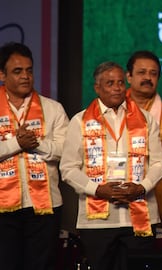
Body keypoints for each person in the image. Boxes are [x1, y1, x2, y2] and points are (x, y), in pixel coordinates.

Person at [59, 61, 162, 270]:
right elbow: (68, 168)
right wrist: (98, 190)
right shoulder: (80, 121)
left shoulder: (145, 119)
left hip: (139, 218)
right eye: (110, 83)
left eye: (119, 83)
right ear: (97, 88)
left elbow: (160, 163)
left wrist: (142, 187)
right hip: (98, 221)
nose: (117, 88)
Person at [0, 42, 70, 270]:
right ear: (2, 74)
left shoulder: (53, 109)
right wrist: (15, 144)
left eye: (29, 70)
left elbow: (66, 152)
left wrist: (36, 143)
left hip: (44, 206)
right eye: (17, 71)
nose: (25, 76)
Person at [125, 50, 162, 246]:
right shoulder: (110, 111)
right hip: (118, 202)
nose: (148, 78)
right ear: (128, 76)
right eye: (141, 72)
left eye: (153, 73)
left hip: (158, 206)